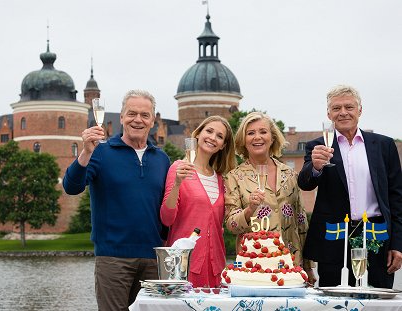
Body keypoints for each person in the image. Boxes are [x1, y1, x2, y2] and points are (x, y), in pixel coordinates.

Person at [63, 89, 171, 310]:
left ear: (152, 121)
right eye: (131, 113)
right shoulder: (100, 152)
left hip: (153, 259)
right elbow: (71, 187)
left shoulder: (162, 159)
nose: (138, 120)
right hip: (113, 258)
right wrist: (85, 153)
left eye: (145, 115)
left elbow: (166, 207)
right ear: (121, 117)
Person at [298, 85, 402, 288]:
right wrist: (316, 167)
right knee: (334, 302)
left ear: (360, 110)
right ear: (329, 113)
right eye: (336, 108)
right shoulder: (318, 146)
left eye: (349, 107)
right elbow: (305, 183)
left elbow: (397, 197)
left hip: (377, 238)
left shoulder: (384, 146)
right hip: (334, 240)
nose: (343, 112)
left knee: (377, 302)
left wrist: (398, 244)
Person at [224, 112, 316, 284]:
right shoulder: (233, 177)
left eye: (263, 132)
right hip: (254, 269)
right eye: (250, 133)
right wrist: (249, 209)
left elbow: (302, 222)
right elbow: (231, 225)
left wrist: (309, 267)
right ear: (243, 140)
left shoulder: (290, 174)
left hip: (292, 267)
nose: (257, 137)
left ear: (272, 138)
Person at [160, 116, 237, 288]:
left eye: (219, 136)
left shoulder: (220, 179)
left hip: (215, 265)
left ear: (223, 145)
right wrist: (177, 183)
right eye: (209, 131)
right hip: (184, 263)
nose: (212, 137)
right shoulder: (179, 168)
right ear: (198, 134)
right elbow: (167, 219)